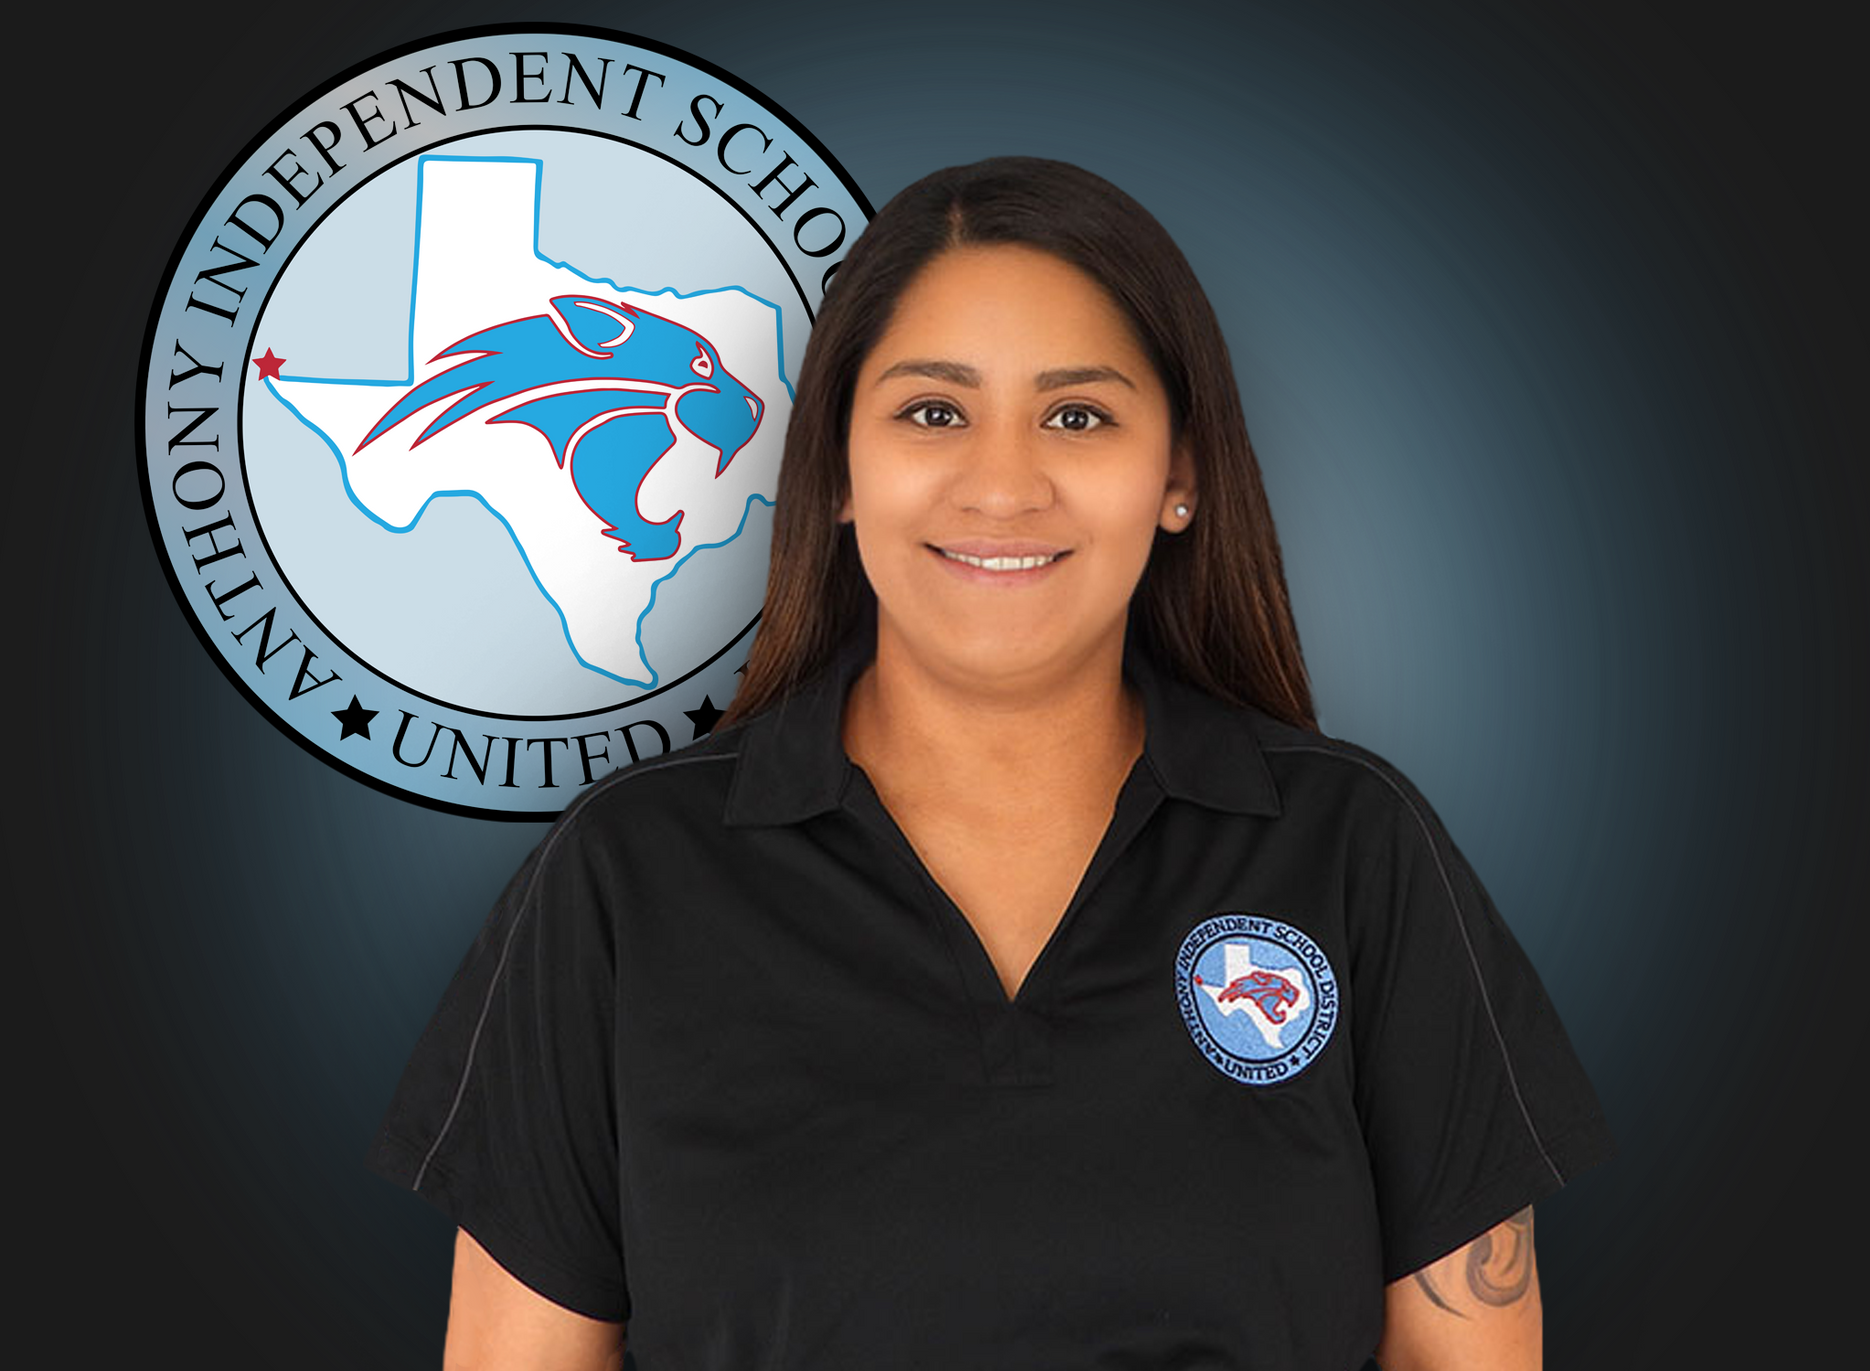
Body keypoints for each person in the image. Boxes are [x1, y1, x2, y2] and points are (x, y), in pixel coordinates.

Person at [370, 156, 1613, 1371]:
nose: (1004, 484)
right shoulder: (627, 872)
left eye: (1077, 415)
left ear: (1177, 476)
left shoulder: (1352, 847)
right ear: (840, 474)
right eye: (932, 411)